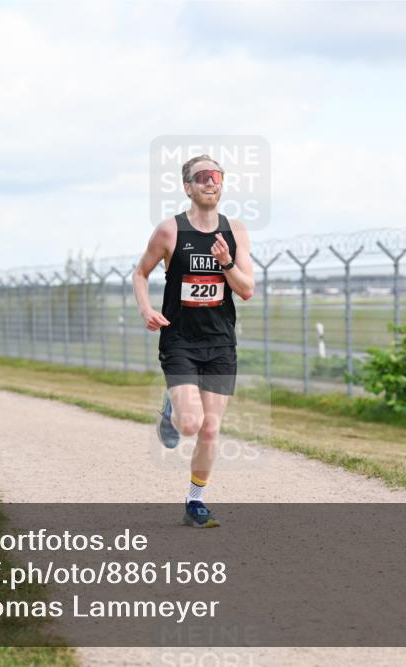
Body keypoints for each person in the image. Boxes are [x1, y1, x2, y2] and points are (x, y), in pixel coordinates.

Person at [133, 155, 255, 528]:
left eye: (216, 176)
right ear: (188, 186)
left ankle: (195, 501)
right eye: (202, 177)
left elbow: (247, 290)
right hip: (180, 341)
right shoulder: (170, 231)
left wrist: (226, 264)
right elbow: (140, 273)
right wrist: (146, 309)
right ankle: (172, 410)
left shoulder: (235, 231)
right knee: (190, 425)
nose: (210, 182)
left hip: (220, 343)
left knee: (210, 428)